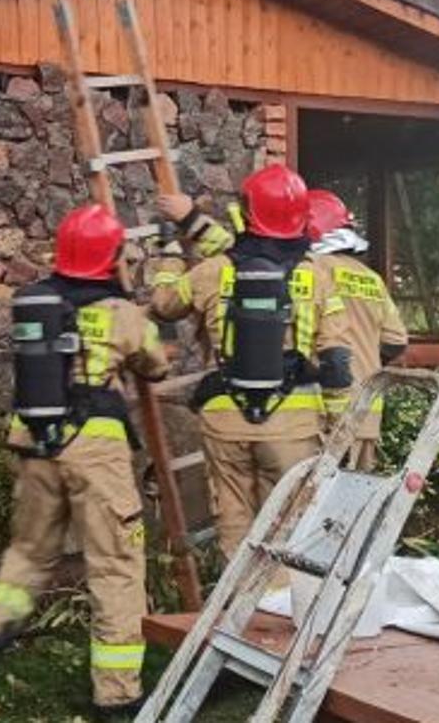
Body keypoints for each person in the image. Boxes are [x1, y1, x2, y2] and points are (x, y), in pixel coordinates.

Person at [0, 204, 170, 716]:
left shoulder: (36, 301)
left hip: (32, 439)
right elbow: (156, 367)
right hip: (94, 445)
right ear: (111, 258)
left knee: (29, 549)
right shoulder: (120, 314)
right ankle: (117, 696)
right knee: (116, 566)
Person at [149, 163, 354, 559]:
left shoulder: (216, 270)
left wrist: (171, 253)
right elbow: (338, 362)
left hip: (225, 420)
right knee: (288, 530)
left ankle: (238, 615)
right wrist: (336, 432)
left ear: (246, 214)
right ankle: (277, 611)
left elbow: (164, 304)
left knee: (235, 526)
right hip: (292, 426)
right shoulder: (319, 276)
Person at [304, 189, 409, 471]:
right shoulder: (371, 279)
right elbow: (396, 341)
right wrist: (365, 364)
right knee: (353, 505)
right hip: (367, 412)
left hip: (321, 413)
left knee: (310, 506)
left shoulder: (309, 270)